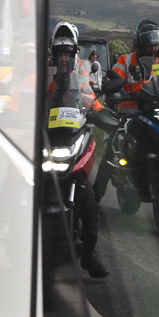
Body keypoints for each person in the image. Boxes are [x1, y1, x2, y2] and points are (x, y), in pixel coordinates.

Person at [94, 20, 159, 225]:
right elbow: (113, 79)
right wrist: (119, 88)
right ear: (139, 44)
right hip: (131, 111)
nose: (153, 48)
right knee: (112, 148)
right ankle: (94, 201)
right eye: (149, 44)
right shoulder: (125, 59)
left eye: (156, 45)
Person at [47, 22, 107, 277]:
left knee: (89, 200)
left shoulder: (81, 73)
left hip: (71, 135)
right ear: (52, 53)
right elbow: (23, 96)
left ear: (73, 54)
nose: (63, 58)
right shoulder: (40, 72)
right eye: (59, 53)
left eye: (67, 54)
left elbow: (89, 99)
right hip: (45, 137)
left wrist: (103, 114)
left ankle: (89, 254)